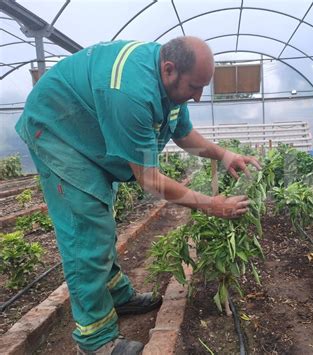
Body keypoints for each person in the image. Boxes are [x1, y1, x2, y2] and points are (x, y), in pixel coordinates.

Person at [15, 36, 260, 355]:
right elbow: (150, 180)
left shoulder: (170, 86)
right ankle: (94, 341)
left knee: (101, 220)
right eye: (194, 87)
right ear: (169, 69)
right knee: (87, 227)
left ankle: (117, 295)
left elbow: (183, 134)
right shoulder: (129, 92)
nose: (198, 97)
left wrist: (223, 154)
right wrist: (211, 204)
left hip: (89, 133)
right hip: (58, 132)